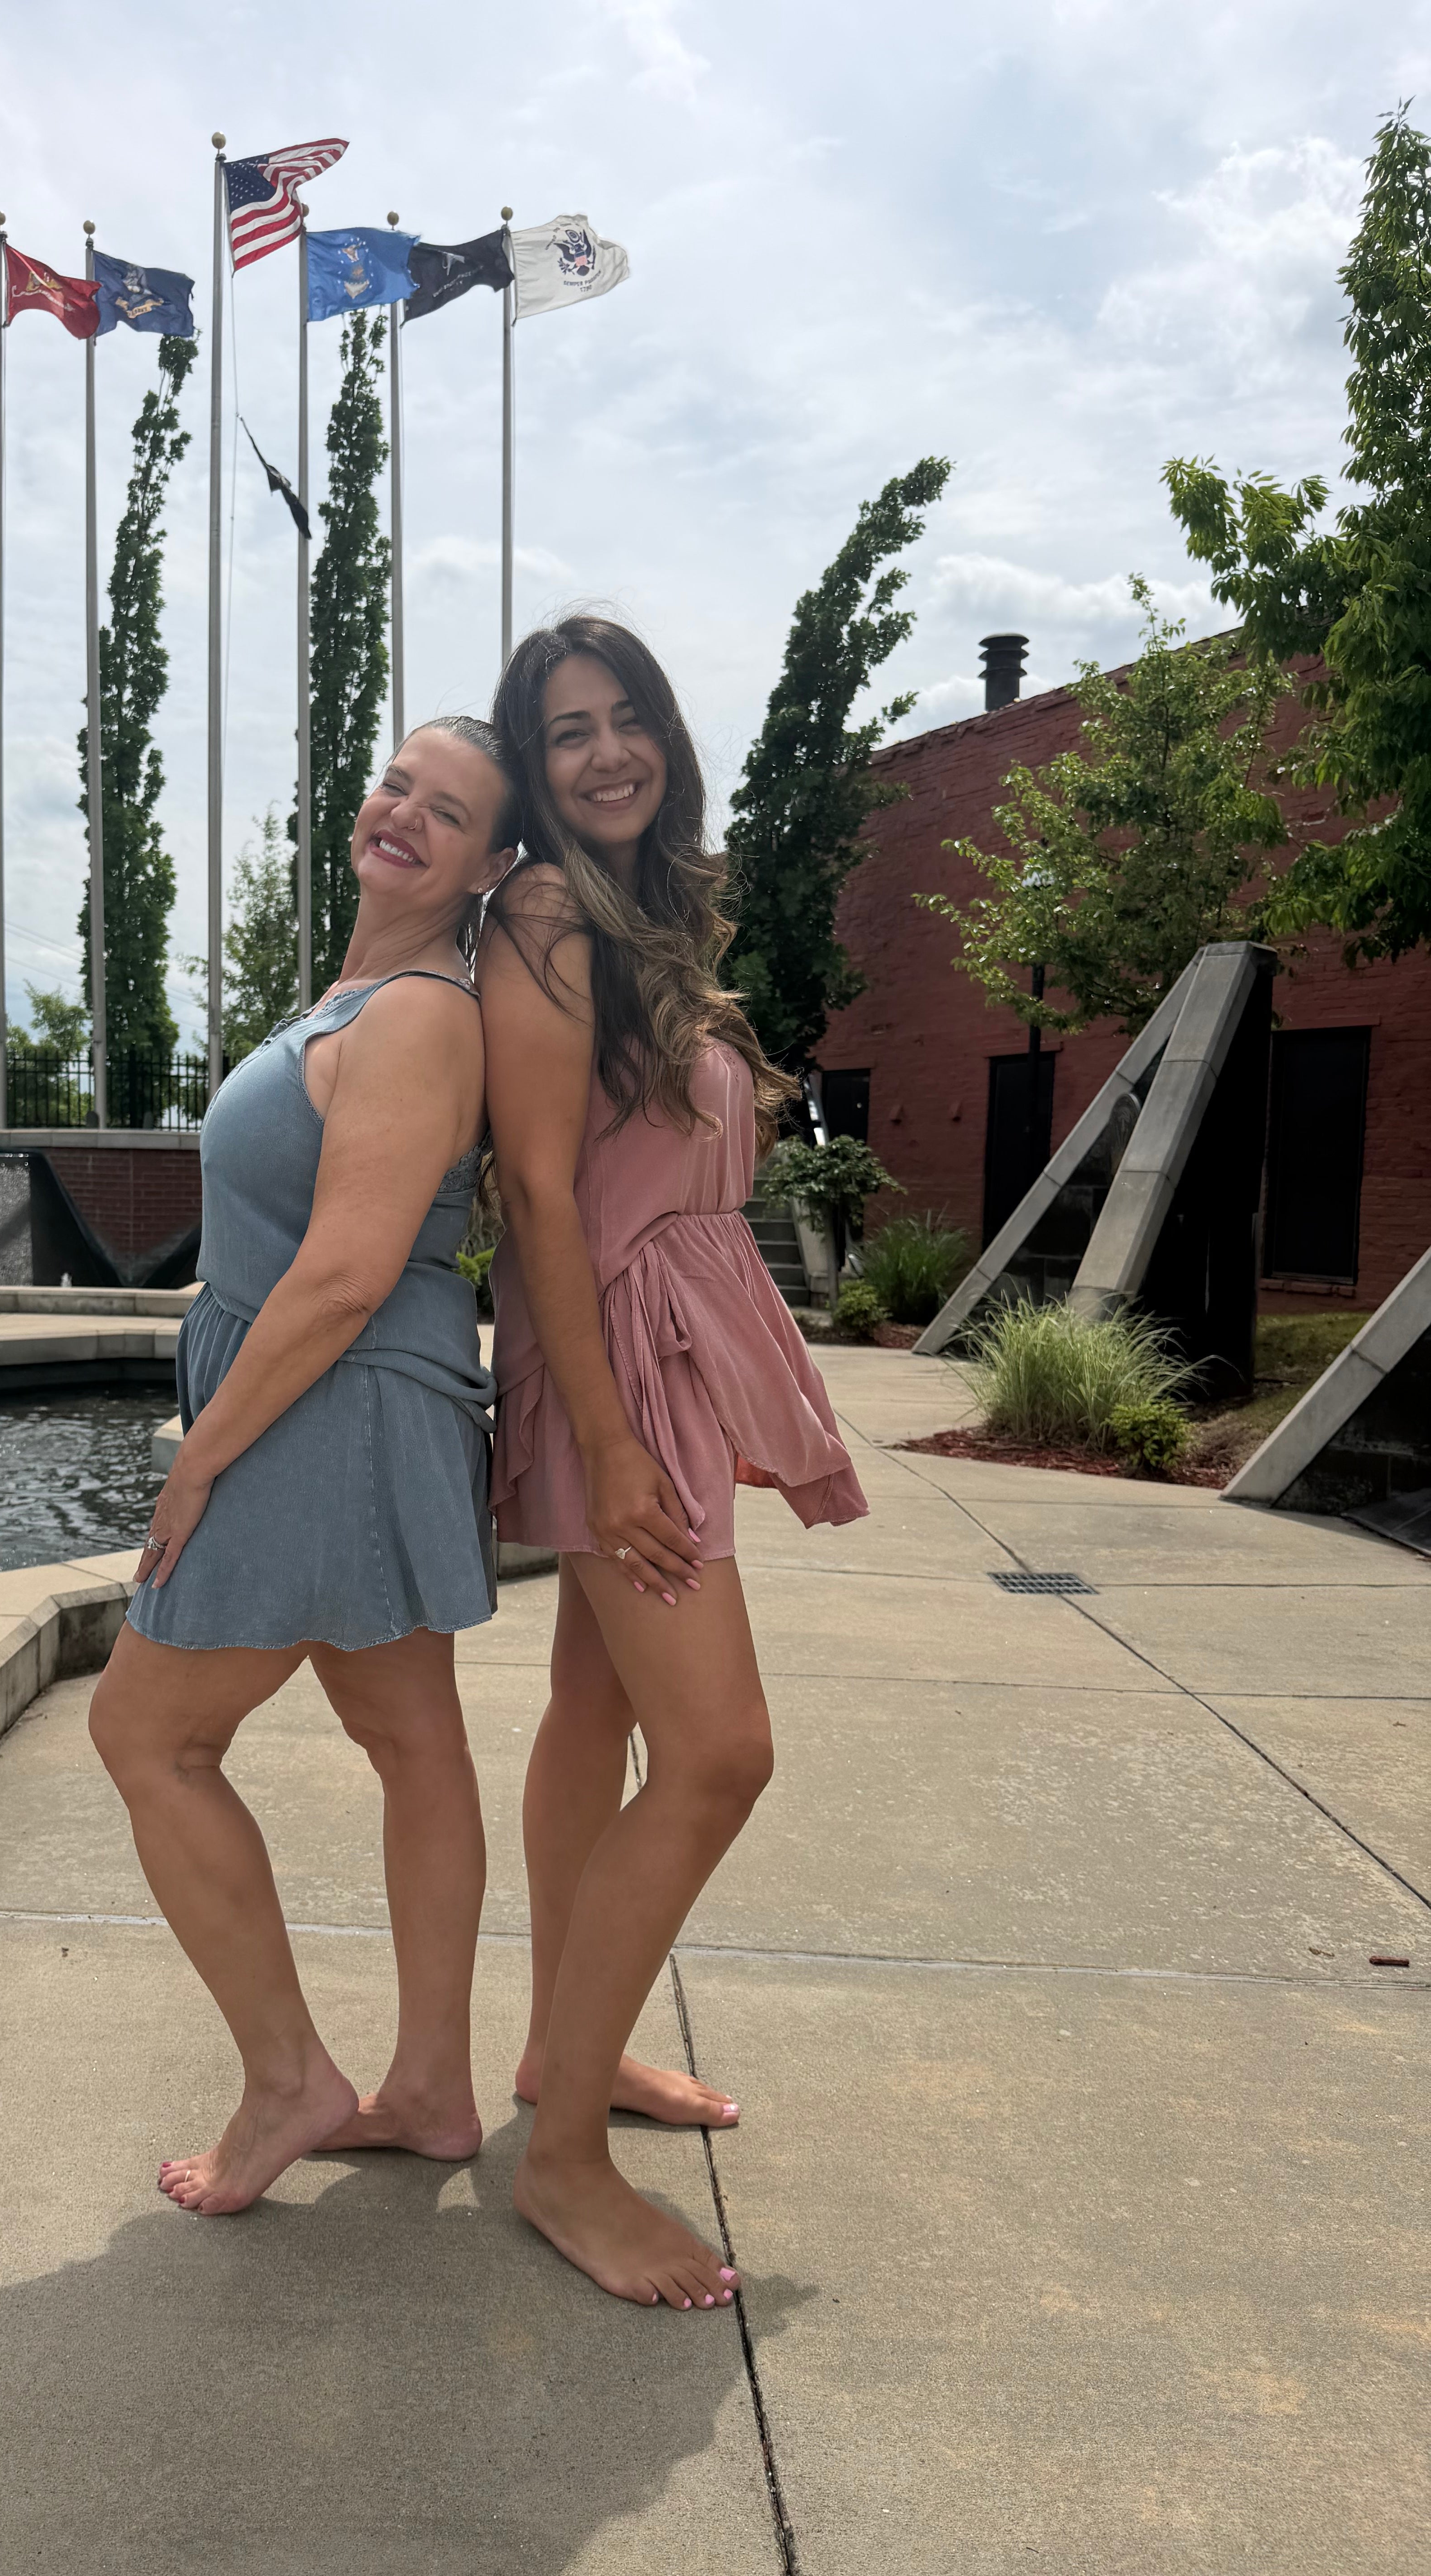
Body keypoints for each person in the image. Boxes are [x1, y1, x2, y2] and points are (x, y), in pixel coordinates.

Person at [480, 616, 869, 2311]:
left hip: (669, 1358)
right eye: (567, 733)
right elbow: (544, 1197)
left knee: (603, 1712)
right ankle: (562, 2162)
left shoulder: (643, 916)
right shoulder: (548, 917)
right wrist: (617, 1441)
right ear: (531, 763)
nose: (605, 753)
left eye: (628, 719)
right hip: (616, 1372)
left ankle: (567, 2053)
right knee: (720, 1755)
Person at [88, 717, 519, 2217]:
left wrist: (198, 1463)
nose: (403, 812)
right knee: (411, 1740)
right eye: (398, 781)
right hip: (354, 1410)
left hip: (323, 1409)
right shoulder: (364, 997)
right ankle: (433, 2092)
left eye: (448, 811)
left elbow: (341, 1276)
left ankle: (292, 2083)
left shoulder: (416, 1013)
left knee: (146, 1736)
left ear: (489, 864)